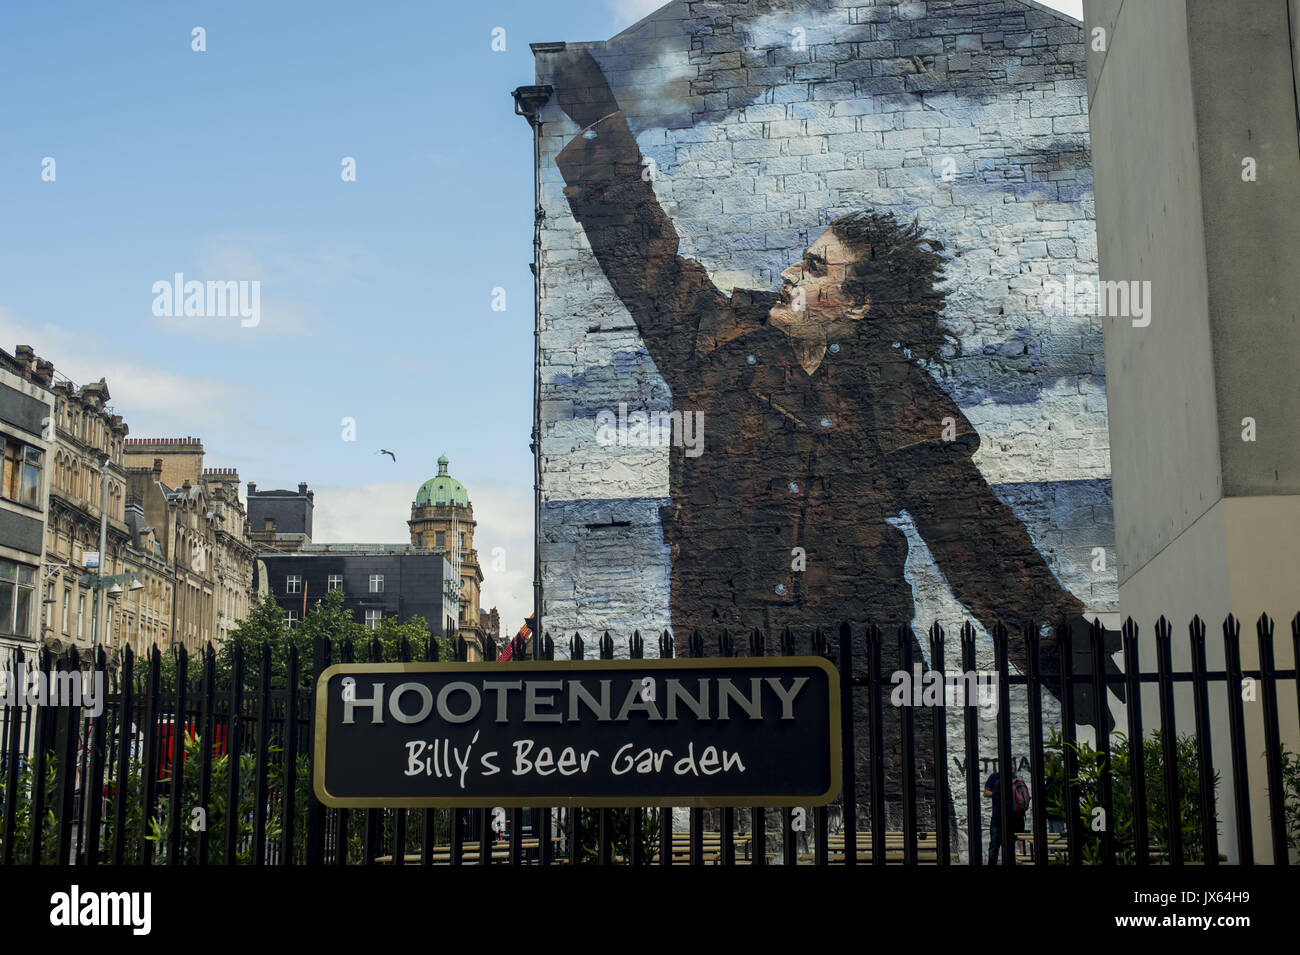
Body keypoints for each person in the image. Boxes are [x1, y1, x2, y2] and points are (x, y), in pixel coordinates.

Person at [549, 48, 1124, 828]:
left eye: (815, 266)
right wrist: (601, 124)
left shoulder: (893, 390)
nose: (791, 271)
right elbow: (639, 245)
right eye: (801, 256)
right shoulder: (709, 339)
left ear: (853, 305)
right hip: (728, 682)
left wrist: (1054, 639)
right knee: (740, 844)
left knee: (889, 841)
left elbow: (971, 531)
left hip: (865, 680)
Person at [984, 770, 1026, 865]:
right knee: (995, 845)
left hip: (1012, 817)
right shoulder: (995, 777)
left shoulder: (1016, 779)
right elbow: (986, 792)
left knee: (1007, 845)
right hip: (999, 817)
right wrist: (996, 793)